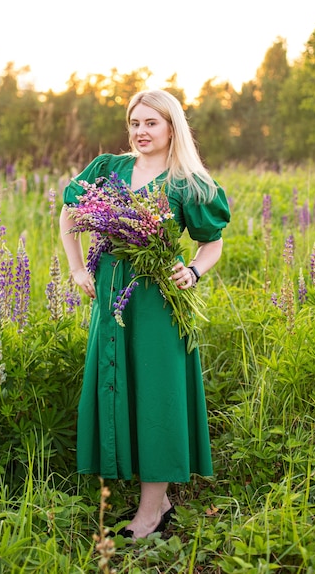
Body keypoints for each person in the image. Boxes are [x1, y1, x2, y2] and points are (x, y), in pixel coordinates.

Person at [60, 89, 230, 539]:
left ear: (172, 126)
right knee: (123, 388)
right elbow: (68, 212)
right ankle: (159, 500)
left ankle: (151, 513)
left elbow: (211, 241)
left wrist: (193, 270)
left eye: (151, 123)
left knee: (157, 397)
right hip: (113, 299)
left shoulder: (187, 182)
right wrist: (77, 268)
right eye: (135, 123)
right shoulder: (109, 169)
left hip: (158, 303)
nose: (140, 132)